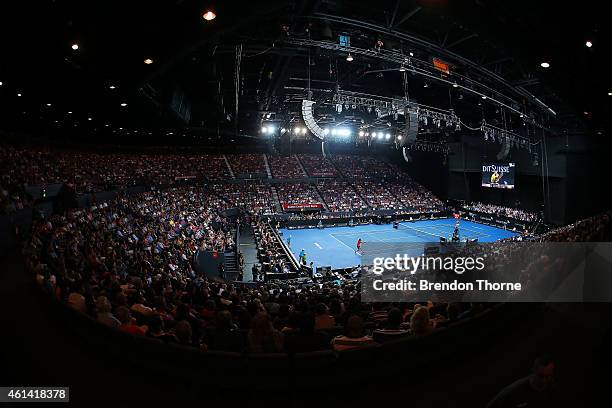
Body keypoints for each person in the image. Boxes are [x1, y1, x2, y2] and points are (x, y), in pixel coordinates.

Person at [487, 355, 558, 408]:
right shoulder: (514, 390)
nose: (544, 380)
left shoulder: (551, 388)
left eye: (548, 376)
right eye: (541, 376)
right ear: (533, 370)